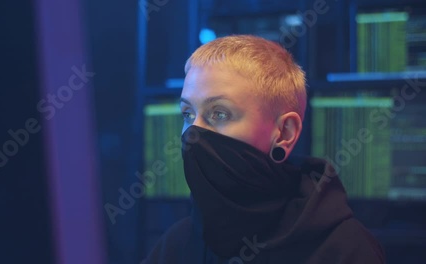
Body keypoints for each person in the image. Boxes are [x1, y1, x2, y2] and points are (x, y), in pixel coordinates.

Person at [142, 35, 385, 264]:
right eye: (188, 114)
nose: (192, 133)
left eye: (220, 113)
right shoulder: (177, 244)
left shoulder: (348, 249)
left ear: (284, 133)